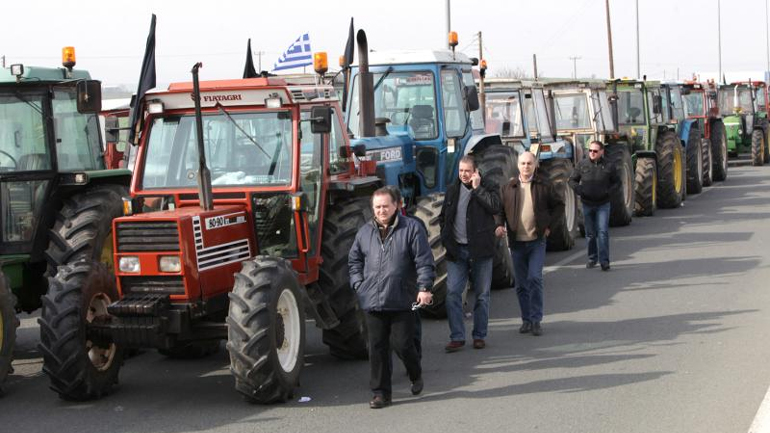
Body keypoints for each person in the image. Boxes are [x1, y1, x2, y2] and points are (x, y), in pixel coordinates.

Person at [348, 186, 435, 409]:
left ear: (396, 205)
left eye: (386, 206)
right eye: (377, 207)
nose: (382, 210)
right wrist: (359, 284)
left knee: (403, 344)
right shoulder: (364, 232)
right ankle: (380, 393)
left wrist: (424, 288)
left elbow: (424, 261)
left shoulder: (412, 229)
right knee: (377, 349)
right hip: (373, 300)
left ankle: (415, 374)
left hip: (401, 298)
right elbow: (354, 261)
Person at [496, 151, 564, 336]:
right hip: (517, 243)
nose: (526, 167)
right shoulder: (508, 187)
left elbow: (559, 205)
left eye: (529, 163)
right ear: (518, 165)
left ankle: (536, 320)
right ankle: (526, 320)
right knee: (521, 284)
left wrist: (549, 226)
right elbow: (499, 210)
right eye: (523, 163)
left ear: (535, 166)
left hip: (537, 241)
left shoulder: (543, 186)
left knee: (534, 278)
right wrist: (498, 225)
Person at [439, 155, 501, 351]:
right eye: (461, 171)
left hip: (481, 251)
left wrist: (477, 189)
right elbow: (444, 217)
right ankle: (457, 336)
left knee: (482, 295)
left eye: (467, 171)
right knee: (452, 294)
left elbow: (494, 206)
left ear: (475, 171)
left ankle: (479, 335)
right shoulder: (452, 190)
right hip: (457, 252)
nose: (463, 175)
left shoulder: (488, 186)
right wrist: (447, 240)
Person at [568, 141, 620, 271]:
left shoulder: (609, 165)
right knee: (590, 234)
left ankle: (604, 261)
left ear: (602, 152)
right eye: (590, 150)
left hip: (603, 204)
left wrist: (608, 192)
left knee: (602, 232)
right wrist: (580, 191)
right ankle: (592, 258)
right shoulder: (582, 165)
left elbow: (617, 182)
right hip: (587, 204)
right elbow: (572, 180)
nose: (592, 153)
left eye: (595, 151)